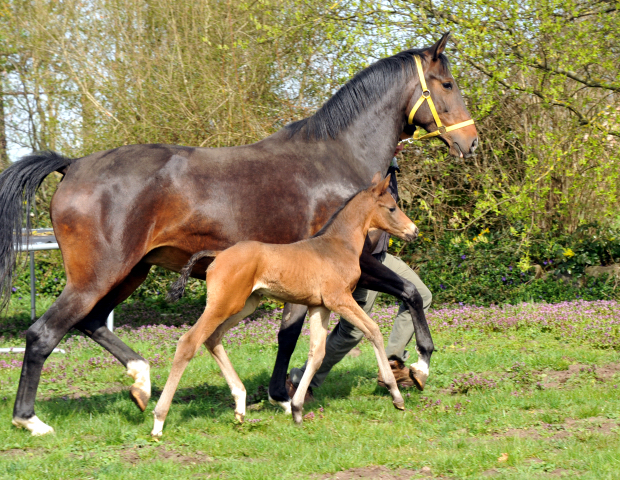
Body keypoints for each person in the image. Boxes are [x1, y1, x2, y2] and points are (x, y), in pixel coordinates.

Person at [288, 145, 432, 398]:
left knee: (420, 294)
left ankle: (392, 362)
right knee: (352, 330)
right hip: (358, 260)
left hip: (380, 256)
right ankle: (303, 380)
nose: (404, 141)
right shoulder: (361, 167)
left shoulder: (390, 171)